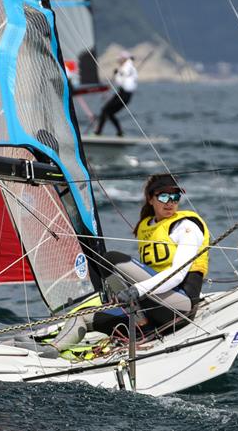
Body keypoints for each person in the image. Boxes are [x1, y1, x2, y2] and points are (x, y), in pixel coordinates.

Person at [48, 173, 210, 353]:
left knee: (111, 259)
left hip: (180, 307)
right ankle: (51, 351)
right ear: (151, 199)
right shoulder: (146, 227)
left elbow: (178, 274)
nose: (170, 202)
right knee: (81, 317)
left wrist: (135, 291)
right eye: (164, 196)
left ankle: (140, 321)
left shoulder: (186, 226)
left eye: (175, 197)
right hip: (152, 307)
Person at [94, 51, 137, 137]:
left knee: (105, 110)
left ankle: (99, 132)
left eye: (120, 59)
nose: (118, 61)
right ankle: (119, 132)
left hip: (124, 94)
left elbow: (121, 82)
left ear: (124, 59)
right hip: (123, 94)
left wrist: (117, 74)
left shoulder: (126, 67)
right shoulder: (129, 67)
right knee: (108, 112)